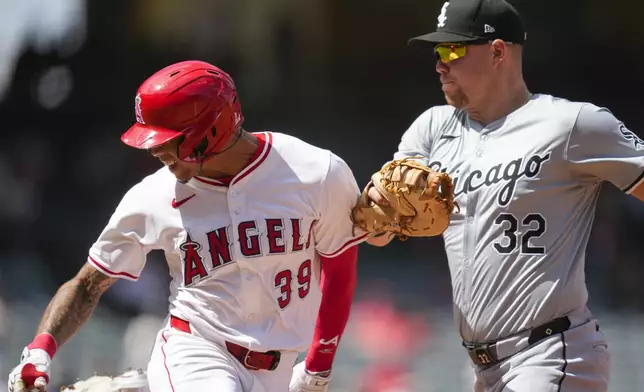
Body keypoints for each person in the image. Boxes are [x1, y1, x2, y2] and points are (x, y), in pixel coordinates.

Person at [7, 60, 368, 392]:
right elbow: (88, 284)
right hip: (198, 350)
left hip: (282, 365)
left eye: (166, 140)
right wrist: (40, 349)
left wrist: (318, 365)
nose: (154, 152)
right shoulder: (152, 195)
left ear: (211, 130)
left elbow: (339, 269)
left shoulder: (317, 172)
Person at [365, 0, 644, 391]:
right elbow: (377, 234)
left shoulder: (571, 125)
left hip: (550, 352)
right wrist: (378, 212)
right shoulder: (431, 129)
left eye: (452, 50)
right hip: (481, 368)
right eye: (437, 52)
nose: (439, 64)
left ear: (498, 52)